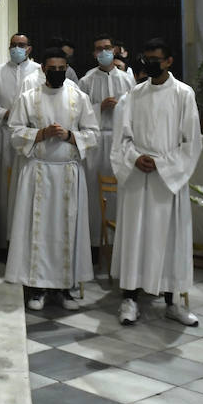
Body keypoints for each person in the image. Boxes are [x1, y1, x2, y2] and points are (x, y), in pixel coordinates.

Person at [111, 38, 202, 327]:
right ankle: (129, 299)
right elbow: (120, 140)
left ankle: (173, 302)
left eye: (155, 59)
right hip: (138, 179)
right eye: (146, 57)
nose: (149, 63)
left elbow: (192, 143)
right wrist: (135, 158)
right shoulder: (132, 96)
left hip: (167, 181)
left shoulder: (183, 94)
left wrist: (163, 164)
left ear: (168, 61)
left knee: (170, 240)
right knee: (135, 238)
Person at [5, 49, 98, 311]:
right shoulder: (28, 98)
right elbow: (14, 133)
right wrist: (41, 133)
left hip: (68, 173)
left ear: (67, 69)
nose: (57, 72)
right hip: (38, 173)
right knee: (40, 232)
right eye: (52, 68)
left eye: (62, 68)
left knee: (66, 231)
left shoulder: (78, 97)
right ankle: (37, 287)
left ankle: (65, 288)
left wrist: (70, 135)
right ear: (43, 69)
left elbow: (93, 134)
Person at [0, 33, 43, 248]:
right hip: (3, 136)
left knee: (26, 189)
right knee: (2, 188)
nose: (17, 48)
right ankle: (2, 243)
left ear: (29, 49)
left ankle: (25, 242)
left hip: (29, 138)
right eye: (13, 45)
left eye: (21, 45)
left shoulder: (40, 73)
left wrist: (26, 118)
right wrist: (6, 114)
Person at [77, 33, 135, 254]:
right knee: (94, 190)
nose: (104, 52)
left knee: (119, 190)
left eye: (107, 48)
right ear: (94, 54)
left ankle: (118, 243)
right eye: (99, 49)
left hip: (119, 139)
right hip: (95, 140)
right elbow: (78, 113)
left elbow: (134, 110)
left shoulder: (127, 79)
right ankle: (93, 242)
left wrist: (120, 108)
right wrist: (98, 107)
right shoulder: (86, 80)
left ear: (115, 50)